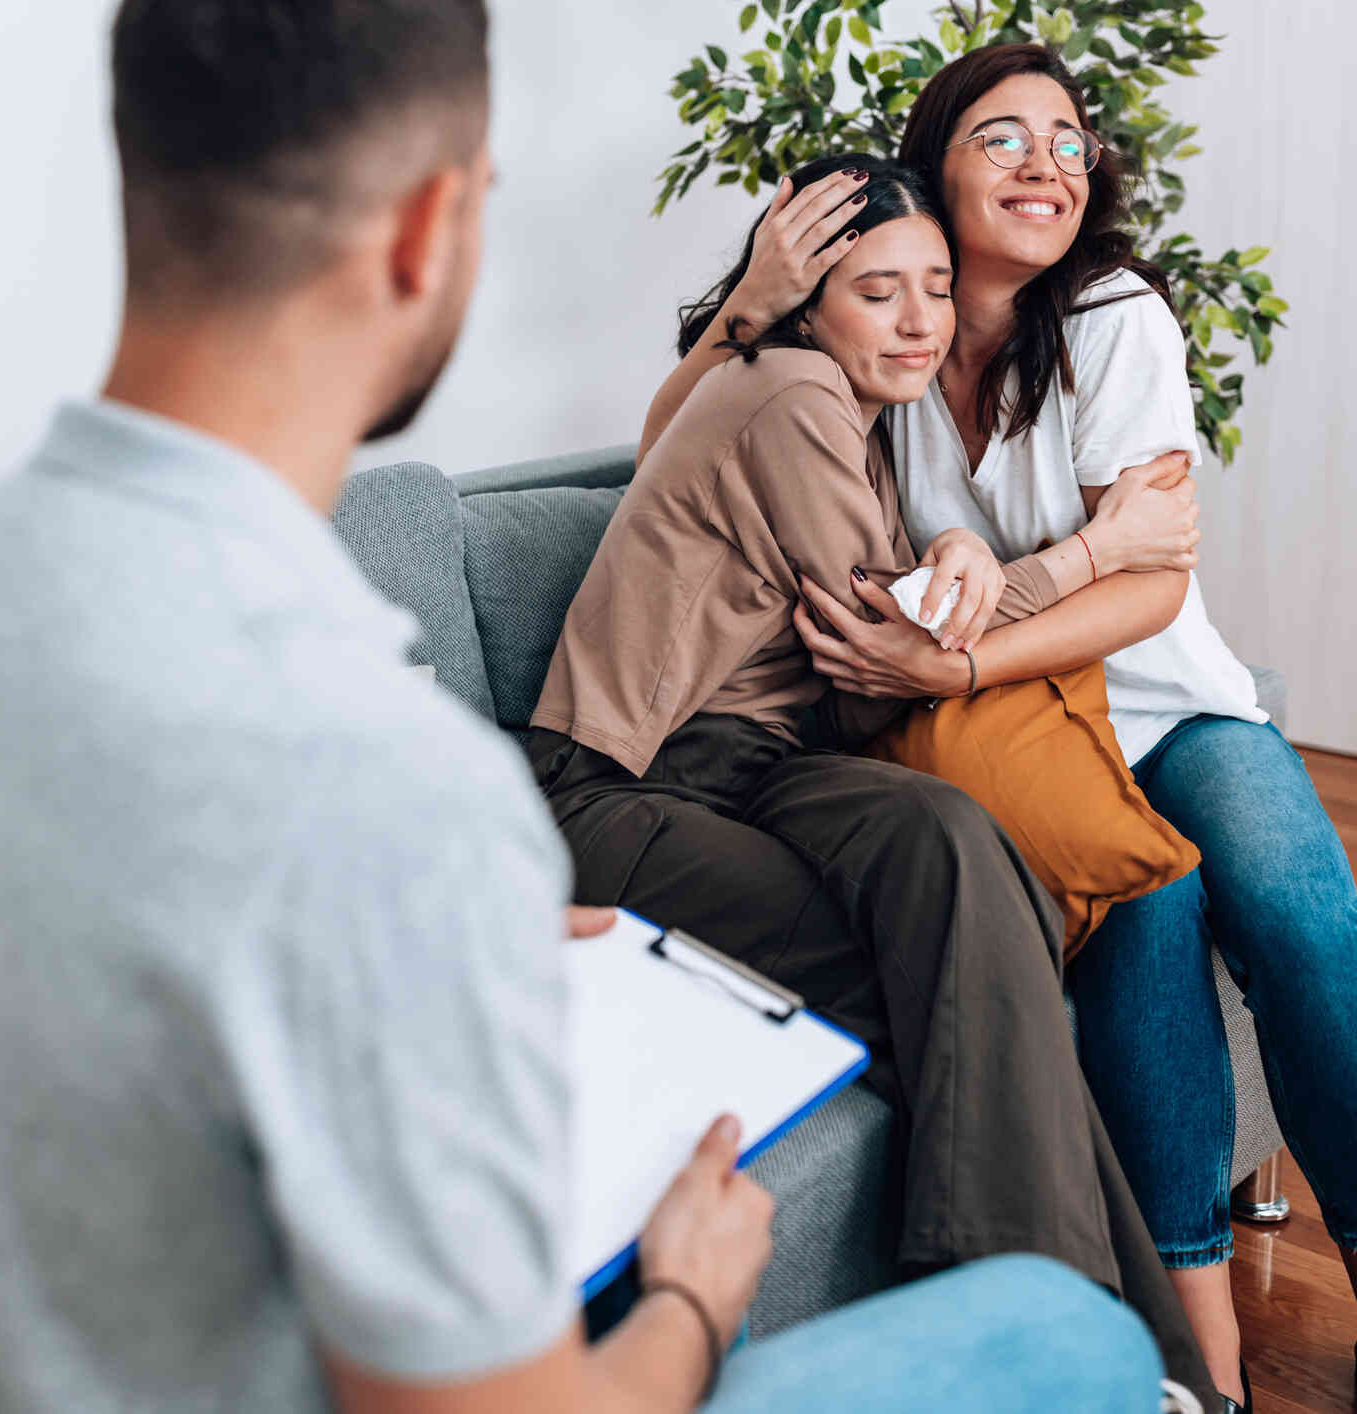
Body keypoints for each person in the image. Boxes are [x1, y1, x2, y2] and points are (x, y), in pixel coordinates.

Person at [0, 4, 1168, 1412]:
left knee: (946, 878)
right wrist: (691, 1289)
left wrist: (426, 949)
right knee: (1072, 1348)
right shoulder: (399, 790)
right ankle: (1135, 1351)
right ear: (433, 227)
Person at [644, 40, 1357, 1414]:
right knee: (1144, 924)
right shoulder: (882, 336)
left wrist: (958, 662)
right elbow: (667, 441)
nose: (1049, 161)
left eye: (1067, 139)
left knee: (1299, 906)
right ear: (936, 163)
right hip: (1019, 743)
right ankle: (1205, 1362)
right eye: (1004, 137)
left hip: (1162, 707)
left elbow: (1156, 580)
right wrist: (752, 297)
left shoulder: (1114, 318)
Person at [533, 152, 1214, 1403]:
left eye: (935, 289)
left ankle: (1122, 1362)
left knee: (953, 843)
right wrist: (1092, 551)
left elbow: (895, 625)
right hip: (622, 791)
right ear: (808, 305)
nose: (918, 321)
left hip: (764, 765)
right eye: (875, 292)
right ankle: (1077, 1350)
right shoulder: (789, 389)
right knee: (956, 985)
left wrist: (953, 545)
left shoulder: (863, 419)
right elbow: (886, 657)